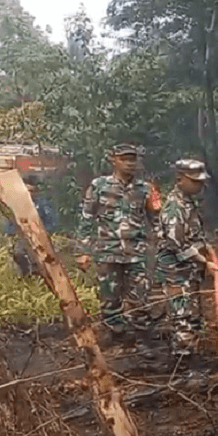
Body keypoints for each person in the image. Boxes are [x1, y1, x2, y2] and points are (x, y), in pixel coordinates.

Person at [76, 143, 163, 352]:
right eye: (125, 159)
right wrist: (83, 251)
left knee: (139, 298)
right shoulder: (99, 186)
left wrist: (164, 245)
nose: (130, 163)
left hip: (136, 254)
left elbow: (156, 219)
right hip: (108, 252)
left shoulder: (146, 189)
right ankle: (117, 337)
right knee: (109, 299)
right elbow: (87, 217)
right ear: (113, 160)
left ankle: (143, 341)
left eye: (133, 159)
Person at [156, 159, 218, 363]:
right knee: (182, 316)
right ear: (179, 179)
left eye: (201, 181)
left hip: (188, 272)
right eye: (195, 181)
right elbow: (176, 244)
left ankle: (193, 356)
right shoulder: (174, 208)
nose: (199, 186)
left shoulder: (188, 203)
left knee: (193, 315)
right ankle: (185, 364)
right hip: (177, 272)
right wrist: (204, 262)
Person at [2, 174, 58, 278]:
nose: (29, 194)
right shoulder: (15, 204)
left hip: (42, 238)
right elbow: (8, 224)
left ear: (36, 191)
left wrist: (44, 232)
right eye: (26, 190)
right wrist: (14, 233)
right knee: (19, 254)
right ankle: (25, 277)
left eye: (31, 191)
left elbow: (52, 222)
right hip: (21, 238)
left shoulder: (43, 205)